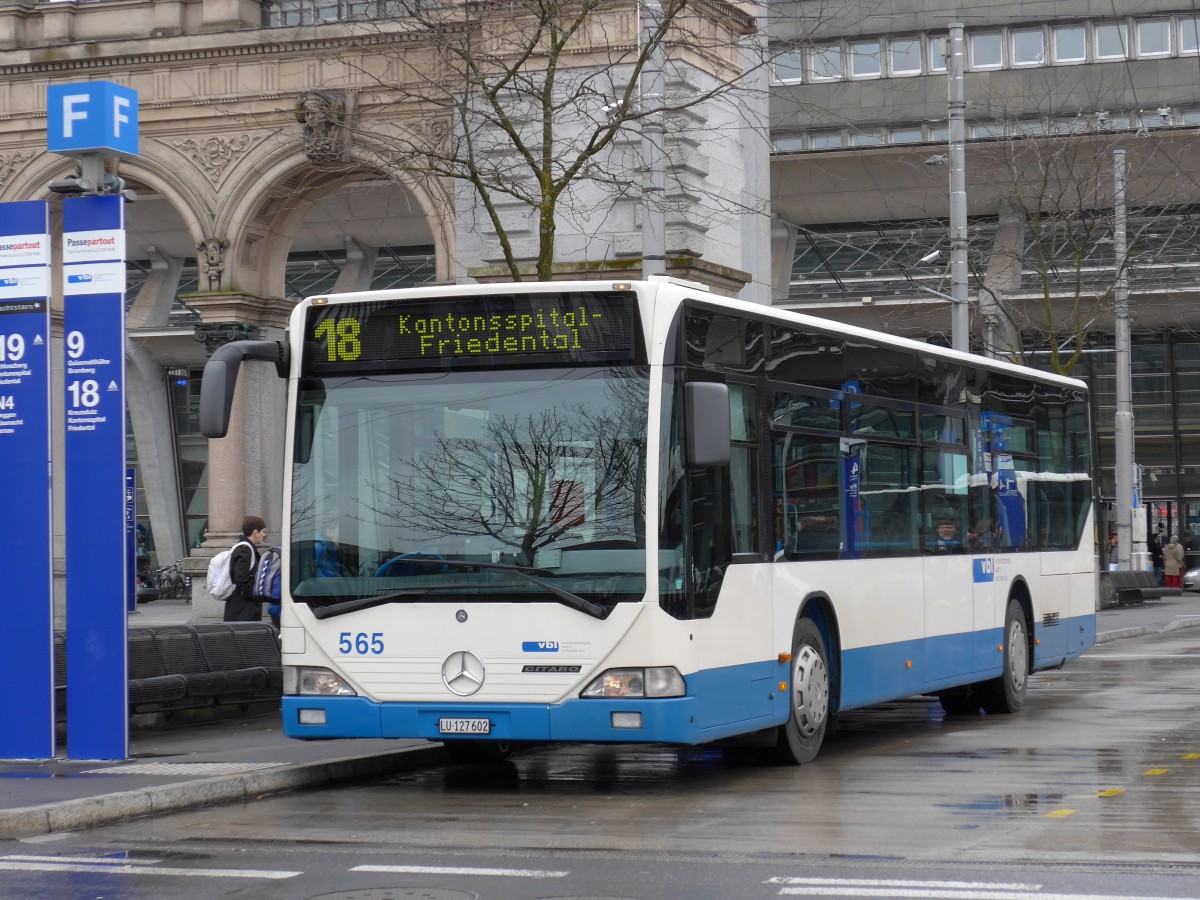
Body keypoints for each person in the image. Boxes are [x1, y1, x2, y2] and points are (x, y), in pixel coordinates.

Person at [224, 515, 268, 622]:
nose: (264, 534)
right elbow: (241, 578)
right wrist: (253, 596)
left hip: (243, 605)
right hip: (243, 608)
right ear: (255, 532)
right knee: (244, 637)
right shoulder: (245, 550)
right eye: (262, 531)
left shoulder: (246, 548)